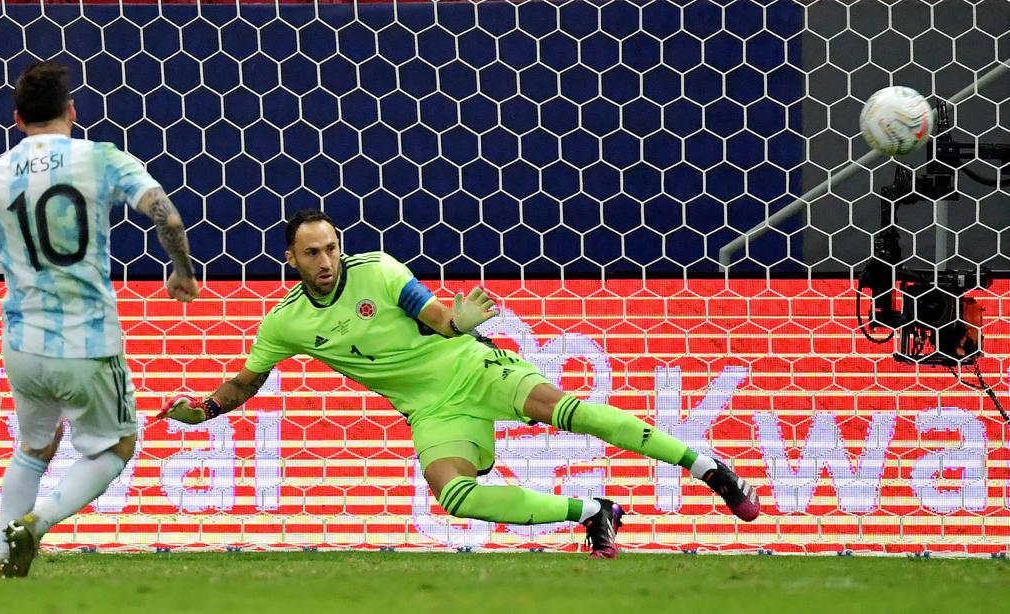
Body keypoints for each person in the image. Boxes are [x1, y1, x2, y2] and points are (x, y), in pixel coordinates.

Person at [159, 209, 758, 558]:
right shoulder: (284, 323)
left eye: (333, 247)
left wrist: (460, 321)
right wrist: (203, 409)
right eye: (312, 252)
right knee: (452, 495)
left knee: (564, 408)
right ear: (292, 258)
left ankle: (708, 467)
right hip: (430, 408)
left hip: (470, 365)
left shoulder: (381, 271)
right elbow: (244, 384)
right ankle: (594, 511)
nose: (327, 260)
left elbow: (440, 318)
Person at [0, 60, 199, 577]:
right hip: (88, 341)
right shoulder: (101, 158)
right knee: (118, 446)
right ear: (72, 110)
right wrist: (182, 270)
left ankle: (1, 559)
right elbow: (166, 214)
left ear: (17, 119)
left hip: (23, 343)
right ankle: (35, 525)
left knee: (33, 448)